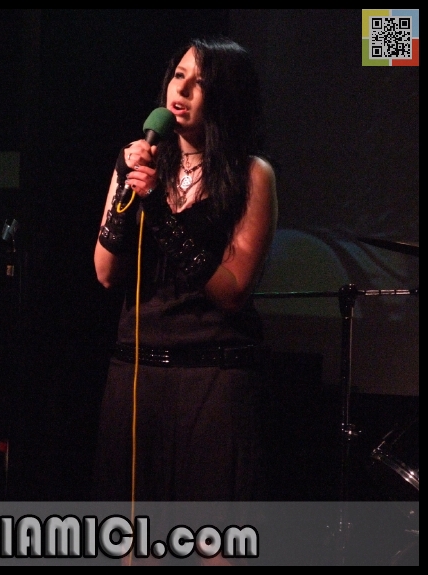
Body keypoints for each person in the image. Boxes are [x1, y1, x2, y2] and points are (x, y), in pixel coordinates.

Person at [92, 37, 277, 503]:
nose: (183, 89)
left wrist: (159, 212)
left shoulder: (252, 175)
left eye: (200, 82)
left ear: (226, 95)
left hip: (212, 377)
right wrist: (128, 190)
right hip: (136, 371)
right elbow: (105, 271)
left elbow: (232, 290)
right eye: (179, 75)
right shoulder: (136, 161)